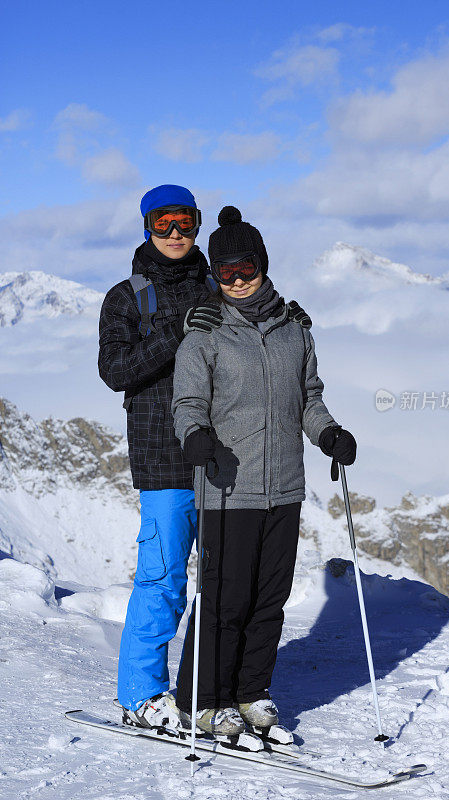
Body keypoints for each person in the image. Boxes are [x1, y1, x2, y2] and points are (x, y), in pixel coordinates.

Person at [171, 206, 357, 736]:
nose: (235, 280)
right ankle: (204, 700)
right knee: (224, 600)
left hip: (284, 488)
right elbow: (187, 405)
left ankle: (253, 692)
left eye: (244, 267)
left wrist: (328, 433)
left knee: (268, 599)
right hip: (227, 485)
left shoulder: (294, 331)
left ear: (262, 264)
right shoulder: (203, 336)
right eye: (224, 271)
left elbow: (309, 399)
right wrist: (196, 437)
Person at [98, 184, 223, 731]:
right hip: (163, 458)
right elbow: (115, 372)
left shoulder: (220, 286)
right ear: (146, 226)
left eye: (185, 222)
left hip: (223, 454)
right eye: (163, 223)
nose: (175, 234)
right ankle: (142, 694)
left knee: (224, 582)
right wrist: (175, 332)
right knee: (165, 578)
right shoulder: (127, 297)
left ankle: (207, 687)